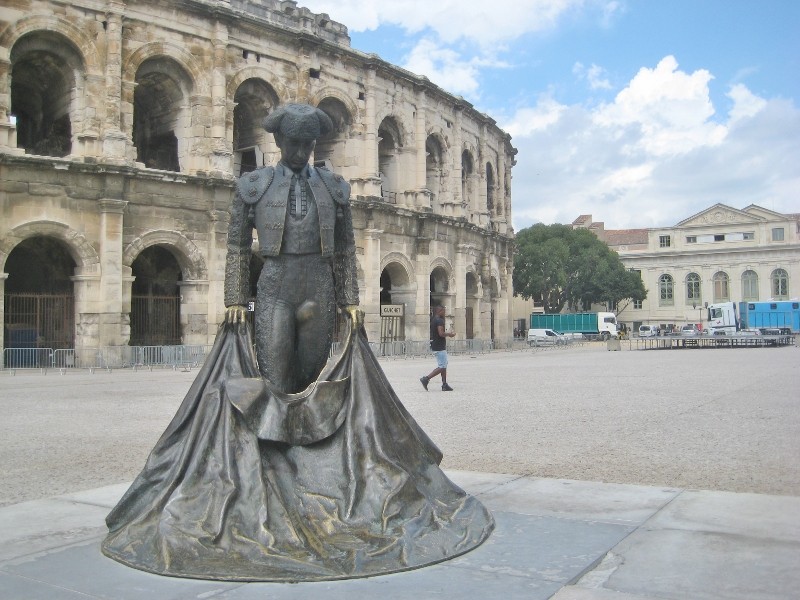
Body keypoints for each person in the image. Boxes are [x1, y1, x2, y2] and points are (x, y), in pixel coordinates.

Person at [223, 103, 362, 393]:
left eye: (308, 145)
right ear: (278, 141)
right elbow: (238, 246)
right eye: (294, 144)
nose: (301, 152)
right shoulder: (253, 185)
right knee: (275, 370)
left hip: (319, 283)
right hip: (276, 284)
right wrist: (235, 298)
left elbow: (346, 248)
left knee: (311, 372)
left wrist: (349, 299)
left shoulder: (334, 186)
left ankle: (303, 433)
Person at [420, 305, 456, 391]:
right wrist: (449, 334)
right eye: (444, 311)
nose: (444, 313)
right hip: (439, 346)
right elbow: (441, 333)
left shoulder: (433, 320)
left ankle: (444, 384)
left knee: (444, 365)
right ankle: (426, 378)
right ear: (440, 311)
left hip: (436, 345)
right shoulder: (439, 320)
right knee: (442, 366)